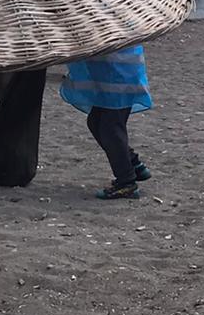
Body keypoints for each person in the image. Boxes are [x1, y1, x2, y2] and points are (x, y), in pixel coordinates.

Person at [60, 43, 155, 200]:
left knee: (110, 128)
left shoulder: (112, 24)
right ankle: (133, 164)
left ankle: (127, 182)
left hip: (119, 78)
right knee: (96, 122)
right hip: (113, 77)